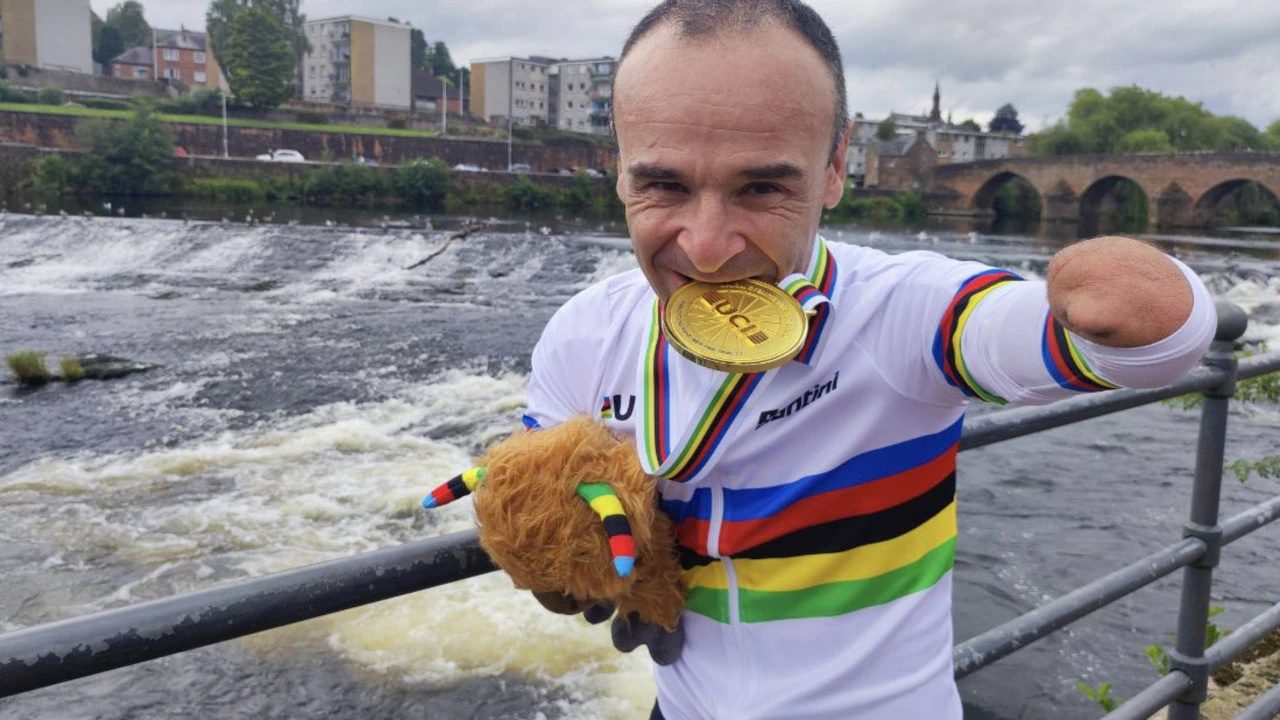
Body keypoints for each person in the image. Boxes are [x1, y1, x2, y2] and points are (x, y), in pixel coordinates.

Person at [521, 1, 1217, 718]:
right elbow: (539, 497)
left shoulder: (905, 313)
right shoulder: (585, 333)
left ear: (834, 167)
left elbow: (1152, 347)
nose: (706, 247)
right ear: (619, 169)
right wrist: (571, 556)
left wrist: (1149, 305)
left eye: (762, 188)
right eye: (663, 184)